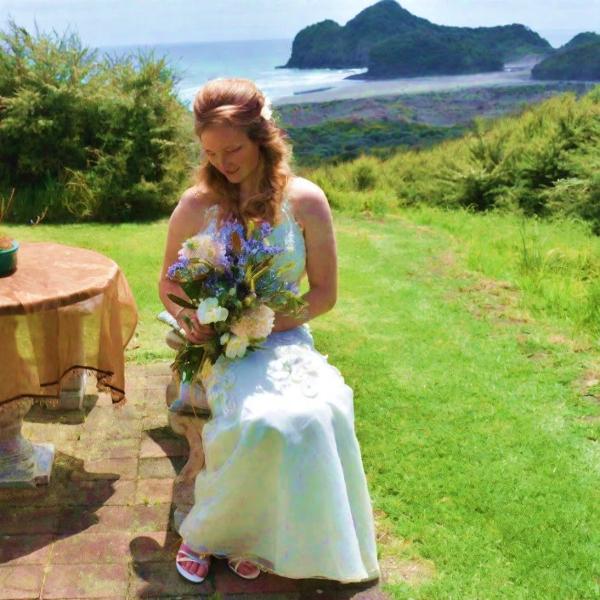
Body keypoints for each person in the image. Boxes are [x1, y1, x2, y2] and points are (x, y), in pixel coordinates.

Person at [158, 77, 380, 584]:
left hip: (284, 338)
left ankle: (265, 537)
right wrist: (193, 318)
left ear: (263, 138)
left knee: (324, 409)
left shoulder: (306, 201)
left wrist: (263, 323)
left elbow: (323, 294)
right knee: (261, 421)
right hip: (219, 348)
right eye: (210, 152)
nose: (222, 162)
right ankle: (210, 534)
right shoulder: (196, 205)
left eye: (232, 149)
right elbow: (169, 281)